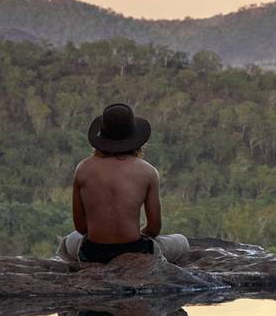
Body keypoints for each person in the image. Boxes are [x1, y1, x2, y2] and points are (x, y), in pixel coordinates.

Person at [58, 102, 190, 265]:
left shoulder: (83, 169)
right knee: (181, 241)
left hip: (94, 253)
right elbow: (154, 228)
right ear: (134, 138)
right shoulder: (148, 172)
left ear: (102, 136)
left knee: (69, 240)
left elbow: (81, 228)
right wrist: (131, 237)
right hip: (137, 251)